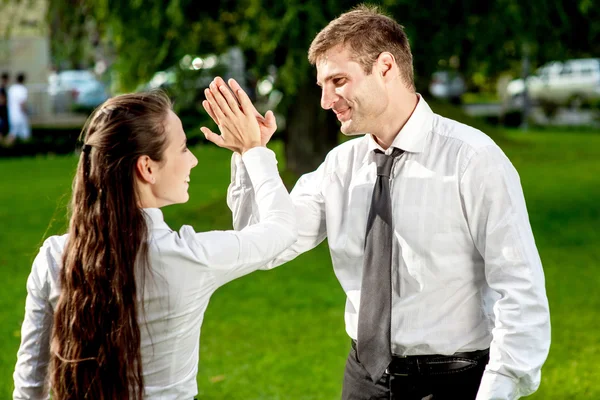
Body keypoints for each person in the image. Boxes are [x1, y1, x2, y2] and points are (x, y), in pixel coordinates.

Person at [203, 5, 550, 400]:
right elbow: (265, 246)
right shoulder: (339, 166)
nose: (325, 100)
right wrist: (251, 156)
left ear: (386, 67)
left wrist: (498, 389)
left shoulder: (473, 159)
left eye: (338, 80)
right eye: (321, 85)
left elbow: (519, 287)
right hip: (363, 379)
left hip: (455, 381)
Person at [13, 90, 297, 399]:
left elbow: (29, 386)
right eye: (184, 148)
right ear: (147, 167)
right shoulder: (187, 258)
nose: (193, 159)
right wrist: (252, 150)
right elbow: (280, 229)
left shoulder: (55, 257)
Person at [7, 72, 30, 143]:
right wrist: (26, 111)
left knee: (13, 132)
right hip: (20, 114)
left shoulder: (12, 88)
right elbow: (22, 103)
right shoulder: (22, 89)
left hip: (12, 114)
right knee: (25, 133)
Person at [0, 72, 9, 139]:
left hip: (3, 108)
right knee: (3, 124)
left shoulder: (4, 87)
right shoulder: (2, 88)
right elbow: (2, 100)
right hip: (2, 109)